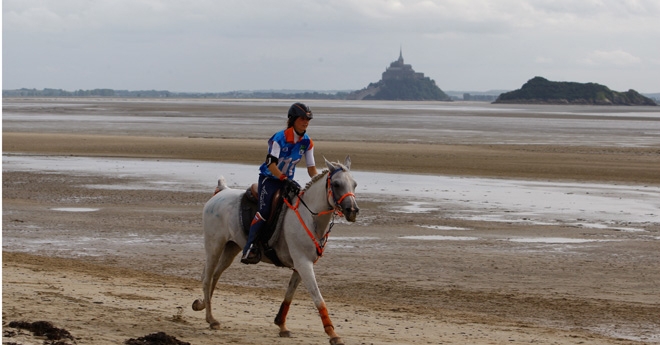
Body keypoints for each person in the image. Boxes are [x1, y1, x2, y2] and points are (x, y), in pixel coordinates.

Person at [241, 102, 319, 264]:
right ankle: (250, 247)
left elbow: (311, 169)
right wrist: (284, 179)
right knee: (264, 210)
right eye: (302, 119)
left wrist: (319, 183)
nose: (306, 122)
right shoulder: (279, 138)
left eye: (308, 120)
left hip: (287, 182)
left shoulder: (307, 142)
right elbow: (271, 164)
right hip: (270, 179)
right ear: (293, 119)